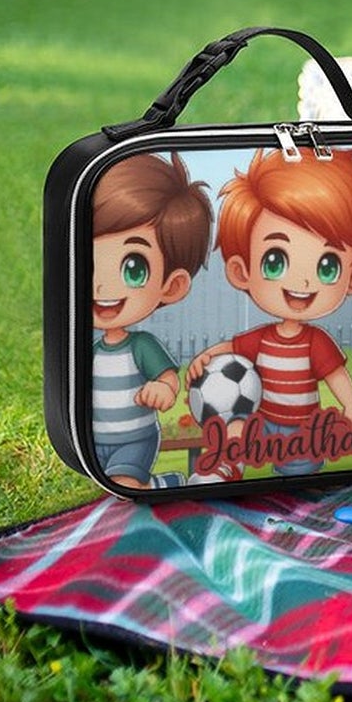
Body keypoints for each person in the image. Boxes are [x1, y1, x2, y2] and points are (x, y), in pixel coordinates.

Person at [188, 147, 352, 478]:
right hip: (262, 422)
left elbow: (334, 374)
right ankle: (222, 469)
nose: (303, 281)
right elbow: (232, 348)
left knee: (301, 471)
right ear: (240, 271)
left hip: (304, 428)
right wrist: (206, 357)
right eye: (275, 261)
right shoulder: (262, 338)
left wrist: (351, 403)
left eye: (327, 265)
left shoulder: (315, 342)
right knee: (236, 434)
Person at [91, 152, 213, 490]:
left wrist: (163, 388)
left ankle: (163, 485)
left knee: (126, 485)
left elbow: (168, 376)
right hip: (92, 436)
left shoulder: (141, 345)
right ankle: (167, 482)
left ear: (171, 287)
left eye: (133, 268)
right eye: (90, 263)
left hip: (136, 439)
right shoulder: (91, 347)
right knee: (116, 485)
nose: (101, 286)